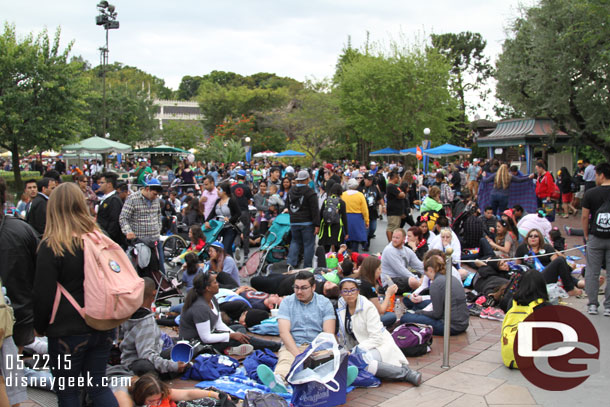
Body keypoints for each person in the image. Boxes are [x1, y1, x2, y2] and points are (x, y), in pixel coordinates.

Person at [33, 182, 119, 406]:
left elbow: (43, 294)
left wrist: (40, 327)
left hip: (66, 330)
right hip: (103, 323)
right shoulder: (99, 237)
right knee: (98, 386)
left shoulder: (52, 245)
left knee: (68, 392)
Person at [256, 270, 336, 393]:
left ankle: (336, 378)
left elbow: (328, 334)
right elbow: (284, 333)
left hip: (317, 347)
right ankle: (277, 382)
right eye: (296, 287)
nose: (299, 292)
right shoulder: (287, 302)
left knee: (329, 364)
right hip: (293, 345)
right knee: (285, 364)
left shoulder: (324, 303)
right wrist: (299, 356)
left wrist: (314, 353)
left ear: (313, 287)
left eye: (304, 288)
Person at [336, 278, 422, 385]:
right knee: (346, 360)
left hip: (378, 345)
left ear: (358, 291)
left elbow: (377, 338)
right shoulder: (341, 305)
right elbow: (343, 333)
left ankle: (406, 373)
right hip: (357, 348)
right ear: (341, 293)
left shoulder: (367, 307)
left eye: (353, 290)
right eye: (345, 291)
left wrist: (357, 349)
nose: (349, 294)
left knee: (362, 361)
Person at [178, 273, 279, 356]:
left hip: (212, 335)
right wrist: (231, 336)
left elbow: (219, 324)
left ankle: (231, 348)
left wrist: (236, 335)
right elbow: (206, 338)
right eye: (215, 282)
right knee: (243, 339)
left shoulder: (212, 299)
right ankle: (276, 346)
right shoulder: (200, 308)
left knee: (239, 329)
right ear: (208, 288)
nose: (218, 284)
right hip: (199, 345)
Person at [0, 177, 39, 352]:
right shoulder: (22, 229)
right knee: (12, 370)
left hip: (19, 315)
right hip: (20, 315)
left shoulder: (21, 230)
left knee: (12, 369)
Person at [120, 278, 187, 377]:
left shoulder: (129, 313)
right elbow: (147, 356)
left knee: (180, 350)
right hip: (136, 365)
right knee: (180, 364)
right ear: (154, 293)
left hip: (141, 358)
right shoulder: (145, 321)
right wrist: (173, 366)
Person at [400, 256, 469, 336]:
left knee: (405, 318)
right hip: (463, 323)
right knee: (416, 306)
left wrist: (420, 312)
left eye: (426, 273)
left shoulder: (436, 283)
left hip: (450, 326)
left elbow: (437, 314)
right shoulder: (451, 277)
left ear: (430, 270)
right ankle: (416, 311)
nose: (427, 276)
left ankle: (415, 313)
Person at [515, 229, 581, 296]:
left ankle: (572, 287)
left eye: (536, 236)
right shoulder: (522, 248)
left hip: (545, 275)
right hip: (530, 278)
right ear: (527, 238)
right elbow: (518, 266)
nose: (533, 238)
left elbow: (557, 263)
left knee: (560, 260)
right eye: (530, 236)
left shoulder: (547, 247)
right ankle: (572, 287)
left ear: (540, 238)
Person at [119, 179, 164, 278]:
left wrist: (158, 228)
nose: (155, 197)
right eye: (154, 194)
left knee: (159, 270)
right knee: (142, 271)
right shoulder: (132, 199)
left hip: (155, 240)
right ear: (147, 189)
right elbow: (123, 218)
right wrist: (128, 231)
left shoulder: (156, 199)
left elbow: (158, 215)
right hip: (140, 242)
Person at [582, 162, 610, 315]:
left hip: (595, 236)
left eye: (596, 175)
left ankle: (592, 304)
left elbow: (585, 216)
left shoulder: (590, 193)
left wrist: (586, 234)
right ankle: (609, 306)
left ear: (602, 175)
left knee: (593, 271)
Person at [113, 373, 220, 407]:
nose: (155, 404)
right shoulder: (126, 398)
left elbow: (187, 394)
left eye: (157, 400)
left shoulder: (159, 391)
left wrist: (212, 394)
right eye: (151, 401)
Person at [286, 170, 320, 268]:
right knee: (308, 245)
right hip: (307, 223)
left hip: (294, 221)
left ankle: (290, 264)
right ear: (307, 180)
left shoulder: (291, 191)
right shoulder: (310, 192)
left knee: (295, 242)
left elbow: (287, 205)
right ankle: (307, 267)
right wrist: (317, 224)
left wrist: (293, 215)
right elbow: (315, 210)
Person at [358, 256, 398, 327]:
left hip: (352, 316)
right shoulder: (368, 286)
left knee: (381, 298)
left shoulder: (356, 278)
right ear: (373, 270)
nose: (381, 271)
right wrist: (388, 294)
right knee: (392, 316)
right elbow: (381, 311)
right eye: (379, 269)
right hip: (363, 322)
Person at [205, 182, 241, 256]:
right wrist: (207, 221)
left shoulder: (231, 201)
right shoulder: (218, 201)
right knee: (219, 248)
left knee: (226, 247)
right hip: (220, 228)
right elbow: (212, 213)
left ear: (224, 191)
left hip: (230, 228)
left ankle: (228, 264)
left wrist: (230, 220)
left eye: (219, 189)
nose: (217, 191)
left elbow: (238, 213)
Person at [97, 172, 126, 248]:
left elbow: (114, 223)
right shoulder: (106, 198)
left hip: (111, 242)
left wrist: (107, 240)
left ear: (109, 184)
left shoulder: (114, 200)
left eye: (102, 182)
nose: (99, 184)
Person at [341, 178, 369, 252]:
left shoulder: (343, 195)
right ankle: (354, 256)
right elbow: (365, 210)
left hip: (346, 218)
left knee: (346, 238)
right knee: (356, 239)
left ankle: (345, 256)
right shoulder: (360, 195)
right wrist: (367, 221)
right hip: (357, 219)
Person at [318, 183, 348, 252]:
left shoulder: (326, 200)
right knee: (338, 248)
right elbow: (344, 218)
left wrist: (318, 226)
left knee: (325, 248)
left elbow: (321, 214)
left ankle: (325, 261)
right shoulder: (341, 202)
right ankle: (336, 261)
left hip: (326, 226)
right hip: (337, 227)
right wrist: (346, 232)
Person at [359, 172, 385, 251]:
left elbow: (380, 197)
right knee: (366, 229)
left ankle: (368, 238)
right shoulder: (360, 188)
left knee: (373, 228)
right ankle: (365, 243)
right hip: (363, 211)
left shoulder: (374, 188)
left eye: (371, 180)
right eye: (368, 180)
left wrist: (383, 206)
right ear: (365, 179)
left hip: (373, 211)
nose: (370, 181)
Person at [231, 170, 253, 259]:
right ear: (244, 178)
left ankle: (237, 246)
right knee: (246, 234)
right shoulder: (247, 188)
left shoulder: (232, 188)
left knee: (236, 232)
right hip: (244, 212)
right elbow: (249, 200)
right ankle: (246, 254)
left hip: (235, 213)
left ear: (236, 177)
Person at [385, 170, 405, 242]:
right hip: (393, 211)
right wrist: (402, 194)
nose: (399, 179)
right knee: (392, 227)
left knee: (395, 227)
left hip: (396, 211)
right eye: (398, 177)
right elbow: (401, 195)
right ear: (395, 178)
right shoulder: (391, 186)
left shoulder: (395, 186)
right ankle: (390, 242)